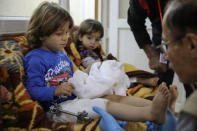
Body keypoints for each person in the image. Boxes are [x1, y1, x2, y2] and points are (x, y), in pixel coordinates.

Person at [24, 1, 171, 124]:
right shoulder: (35, 59)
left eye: (67, 33)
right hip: (56, 109)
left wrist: (89, 72)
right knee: (100, 104)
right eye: (59, 34)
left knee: (109, 96)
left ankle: (158, 107)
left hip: (75, 99)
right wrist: (55, 91)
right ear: (42, 34)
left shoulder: (61, 54)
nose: (65, 38)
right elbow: (32, 90)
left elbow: (75, 76)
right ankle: (150, 115)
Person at [94, 0, 197, 130]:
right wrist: (152, 55)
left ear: (192, 45)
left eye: (167, 45)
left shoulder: (192, 111)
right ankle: (166, 110)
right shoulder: (141, 2)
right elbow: (135, 23)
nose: (165, 57)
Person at [74, 19, 159, 87]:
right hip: (97, 74)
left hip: (103, 69)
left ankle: (138, 79)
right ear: (81, 37)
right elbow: (92, 65)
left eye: (97, 40)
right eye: (89, 38)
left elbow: (101, 57)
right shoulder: (82, 52)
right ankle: (139, 80)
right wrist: (104, 63)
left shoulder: (95, 50)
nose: (93, 42)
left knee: (121, 70)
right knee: (116, 75)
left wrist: (107, 59)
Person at [127, 0, 174, 87]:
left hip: (188, 32)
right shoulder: (139, 1)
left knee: (191, 78)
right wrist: (151, 55)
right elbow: (135, 23)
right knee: (162, 77)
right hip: (160, 37)